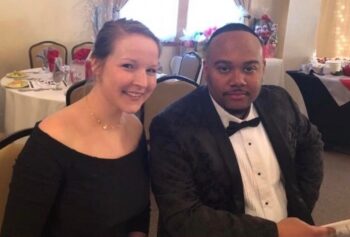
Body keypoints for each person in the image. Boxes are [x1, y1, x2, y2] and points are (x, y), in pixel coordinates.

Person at [149, 23, 335, 237]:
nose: (238, 80)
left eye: (249, 68)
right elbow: (183, 218)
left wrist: (300, 203)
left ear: (263, 68)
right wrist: (274, 232)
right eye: (224, 68)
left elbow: (311, 143)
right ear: (207, 70)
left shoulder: (279, 101)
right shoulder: (172, 126)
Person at [1, 18, 160, 237]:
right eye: (128, 66)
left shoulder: (135, 128)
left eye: (151, 70)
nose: (143, 82)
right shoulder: (49, 144)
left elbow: (140, 214)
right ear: (96, 64)